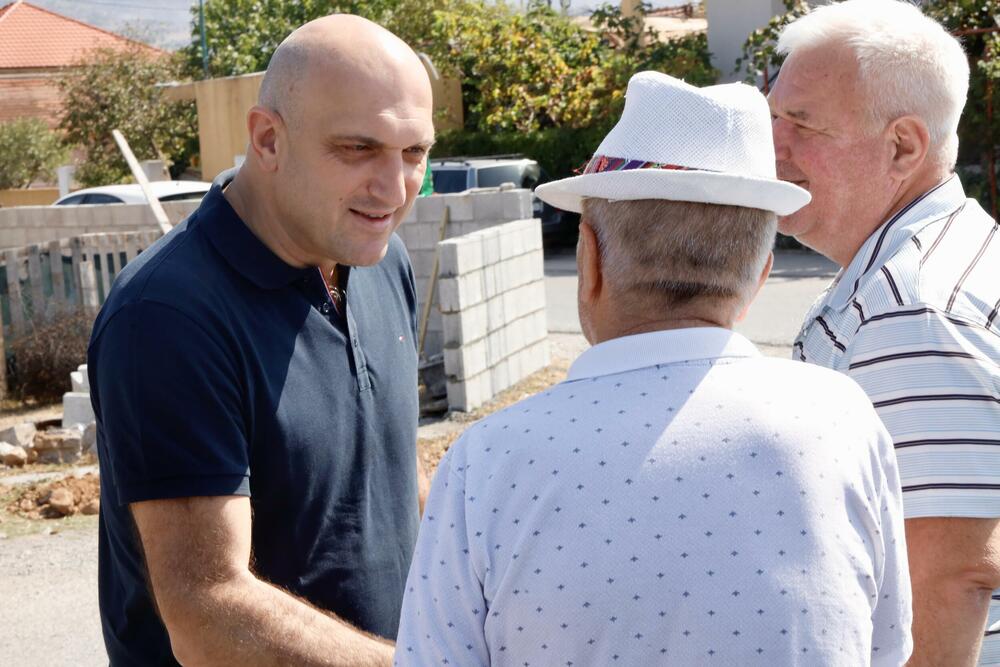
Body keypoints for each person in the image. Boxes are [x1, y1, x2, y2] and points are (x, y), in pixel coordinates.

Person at [394, 71, 912, 665]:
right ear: (759, 275)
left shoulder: (489, 460)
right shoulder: (843, 422)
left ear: (589, 258)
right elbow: (887, 647)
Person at [88, 15, 435, 666]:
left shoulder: (381, 259)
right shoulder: (167, 316)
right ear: (269, 139)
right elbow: (206, 609)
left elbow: (388, 463)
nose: (394, 189)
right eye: (358, 149)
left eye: (414, 152)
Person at [769, 1, 1000, 664]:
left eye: (801, 123)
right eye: (773, 117)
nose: (773, 145)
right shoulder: (921, 269)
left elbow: (950, 578)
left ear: (903, 146)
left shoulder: (911, 309)